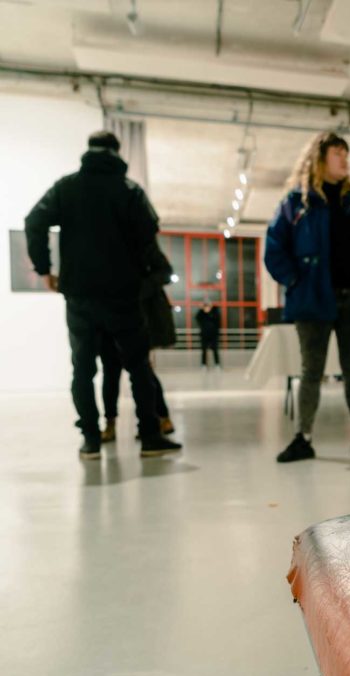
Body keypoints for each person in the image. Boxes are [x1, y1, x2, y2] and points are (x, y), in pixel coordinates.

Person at [24, 130, 182, 459]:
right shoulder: (129, 191)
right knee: (138, 366)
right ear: (116, 152)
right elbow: (148, 236)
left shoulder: (66, 187)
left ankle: (91, 439)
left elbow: (34, 221)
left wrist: (44, 269)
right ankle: (149, 436)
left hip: (79, 294)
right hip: (123, 294)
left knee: (83, 369)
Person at [265, 131, 350, 463]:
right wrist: (296, 280)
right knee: (311, 370)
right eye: (338, 154)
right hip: (313, 299)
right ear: (320, 159)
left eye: (346, 155)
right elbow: (274, 249)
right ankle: (303, 438)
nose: (345, 160)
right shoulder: (297, 203)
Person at [99, 244, 177, 442]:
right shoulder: (102, 248)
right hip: (108, 317)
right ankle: (111, 423)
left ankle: (158, 420)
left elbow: (165, 272)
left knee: (143, 371)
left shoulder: (140, 244)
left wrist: (137, 289)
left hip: (135, 316)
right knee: (112, 371)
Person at [195, 300, 221, 368]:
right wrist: (201, 309)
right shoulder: (202, 314)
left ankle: (217, 364)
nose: (207, 308)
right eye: (205, 307)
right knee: (204, 350)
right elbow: (197, 318)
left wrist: (212, 309)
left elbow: (218, 320)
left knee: (215, 350)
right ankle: (203, 365)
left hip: (213, 335)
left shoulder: (214, 313)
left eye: (208, 306)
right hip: (204, 335)